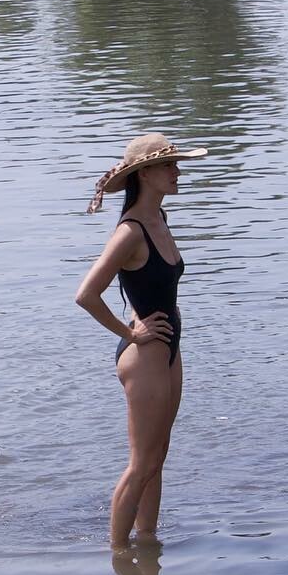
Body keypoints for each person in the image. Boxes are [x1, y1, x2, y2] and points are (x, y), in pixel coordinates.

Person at [76, 131, 207, 549]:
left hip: (169, 347)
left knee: (158, 457)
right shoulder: (131, 231)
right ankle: (117, 553)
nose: (177, 171)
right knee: (142, 463)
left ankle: (147, 549)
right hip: (145, 353)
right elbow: (86, 295)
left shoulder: (159, 218)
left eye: (176, 163)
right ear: (145, 173)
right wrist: (132, 332)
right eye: (169, 165)